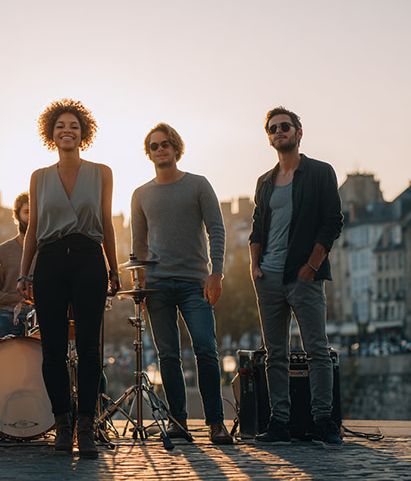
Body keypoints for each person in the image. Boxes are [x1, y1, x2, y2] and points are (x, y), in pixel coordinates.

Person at [17, 99, 120, 459]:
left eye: (74, 126)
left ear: (83, 133)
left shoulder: (102, 172)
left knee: (91, 348)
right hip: (50, 260)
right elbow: (32, 232)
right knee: (53, 350)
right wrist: (23, 272)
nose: (67, 131)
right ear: (52, 133)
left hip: (90, 257)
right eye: (61, 125)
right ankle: (63, 423)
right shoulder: (39, 177)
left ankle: (86, 427)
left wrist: (115, 268)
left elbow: (107, 224)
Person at [131, 122, 233, 445]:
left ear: (176, 148)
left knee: (206, 349)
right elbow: (139, 246)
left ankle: (216, 423)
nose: (160, 149)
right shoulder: (140, 195)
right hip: (157, 286)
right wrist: (141, 286)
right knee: (168, 356)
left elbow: (217, 229)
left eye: (165, 144)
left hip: (195, 283)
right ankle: (178, 422)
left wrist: (216, 273)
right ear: (148, 154)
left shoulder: (199, 185)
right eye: (154, 146)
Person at [249, 106, 343, 448]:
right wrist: (254, 267)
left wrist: (312, 265)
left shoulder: (319, 172)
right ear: (269, 137)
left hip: (305, 276)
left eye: (285, 126)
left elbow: (333, 220)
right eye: (272, 129)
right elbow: (257, 227)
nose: (279, 132)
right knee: (276, 354)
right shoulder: (264, 182)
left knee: (317, 350)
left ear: (298, 133)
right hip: (268, 278)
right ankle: (279, 422)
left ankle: (323, 421)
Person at [0, 192, 32, 341]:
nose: (31, 217)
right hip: (5, 319)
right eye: (27, 212)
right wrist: (20, 298)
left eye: (35, 212)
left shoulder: (47, 252)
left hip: (38, 321)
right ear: (16, 215)